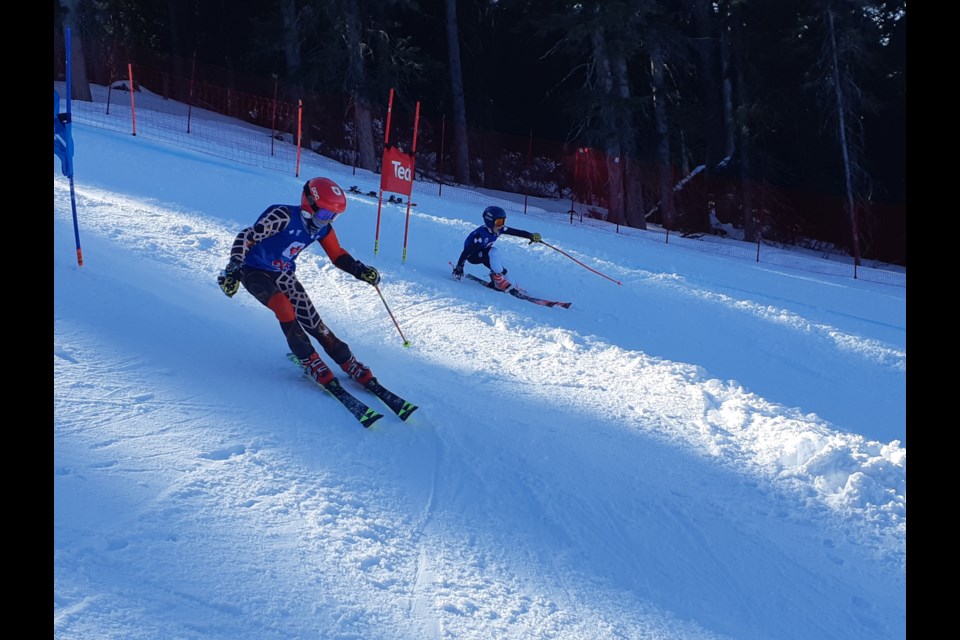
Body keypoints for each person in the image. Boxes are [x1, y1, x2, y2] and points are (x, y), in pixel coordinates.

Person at [217, 177, 382, 388]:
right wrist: (234, 267)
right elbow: (247, 236)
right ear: (309, 203)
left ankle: (346, 359)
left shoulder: (322, 228)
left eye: (333, 216)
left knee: (314, 322)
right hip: (254, 270)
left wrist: (360, 270)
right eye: (324, 213)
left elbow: (337, 254)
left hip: (284, 273)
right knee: (284, 308)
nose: (326, 220)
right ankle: (308, 358)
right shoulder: (283, 216)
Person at [451, 205, 542, 291]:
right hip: (473, 256)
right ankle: (498, 280)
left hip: (484, 254)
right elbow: (466, 253)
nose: (501, 225)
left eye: (503, 221)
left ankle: (512, 286)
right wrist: (459, 268)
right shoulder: (479, 236)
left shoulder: (499, 229)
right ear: (490, 222)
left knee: (501, 270)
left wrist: (530, 235)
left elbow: (516, 232)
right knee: (493, 251)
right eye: (499, 222)